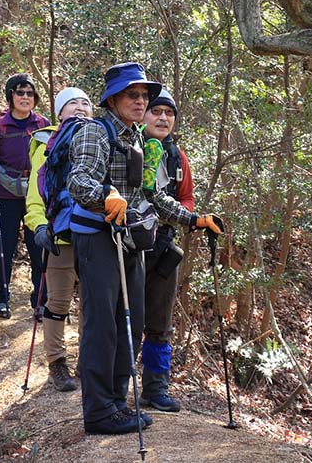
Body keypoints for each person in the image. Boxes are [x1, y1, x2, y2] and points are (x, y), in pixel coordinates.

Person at [67, 62, 223, 435]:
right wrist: (104, 197)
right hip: (97, 239)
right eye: (132, 95)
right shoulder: (94, 132)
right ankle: (100, 411)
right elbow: (78, 180)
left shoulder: (137, 139)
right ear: (113, 99)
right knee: (102, 324)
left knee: (131, 322)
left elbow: (153, 196)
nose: (140, 102)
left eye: (144, 96)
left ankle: (118, 403)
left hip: (132, 240)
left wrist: (194, 220)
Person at [25, 87, 93, 392]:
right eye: (72, 103)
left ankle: (87, 362)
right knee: (58, 302)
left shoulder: (101, 137)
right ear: (59, 112)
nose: (80, 107)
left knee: (93, 302)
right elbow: (36, 191)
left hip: (95, 232)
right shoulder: (47, 143)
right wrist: (39, 227)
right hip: (60, 234)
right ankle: (57, 364)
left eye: (86, 103)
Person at [139, 88, 195, 412]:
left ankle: (155, 388)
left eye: (168, 113)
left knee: (160, 323)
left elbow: (187, 197)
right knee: (124, 319)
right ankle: (118, 387)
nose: (162, 118)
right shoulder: (131, 147)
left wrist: (175, 213)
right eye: (156, 112)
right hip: (129, 247)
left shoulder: (177, 156)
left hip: (163, 248)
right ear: (144, 114)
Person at [0, 74, 49, 319]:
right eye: (20, 93)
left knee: (39, 248)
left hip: (35, 196)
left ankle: (42, 301)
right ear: (11, 96)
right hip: (5, 193)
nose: (25, 98)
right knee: (2, 248)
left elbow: (52, 156)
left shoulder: (42, 124)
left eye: (30, 93)